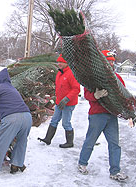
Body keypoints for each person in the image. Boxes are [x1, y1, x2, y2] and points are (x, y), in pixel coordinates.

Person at [78, 50, 128, 182]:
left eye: (112, 61)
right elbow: (87, 94)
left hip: (112, 115)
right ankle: (82, 163)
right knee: (90, 141)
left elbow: (123, 93)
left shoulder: (117, 77)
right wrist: (95, 96)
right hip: (97, 115)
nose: (110, 63)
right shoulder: (93, 77)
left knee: (114, 144)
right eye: (108, 60)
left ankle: (115, 171)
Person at [38, 54, 80, 148]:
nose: (59, 64)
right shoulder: (59, 73)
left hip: (68, 104)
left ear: (66, 63)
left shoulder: (71, 73)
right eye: (58, 62)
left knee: (66, 123)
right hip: (59, 103)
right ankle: (47, 139)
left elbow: (76, 89)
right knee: (54, 120)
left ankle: (70, 142)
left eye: (61, 62)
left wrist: (66, 99)